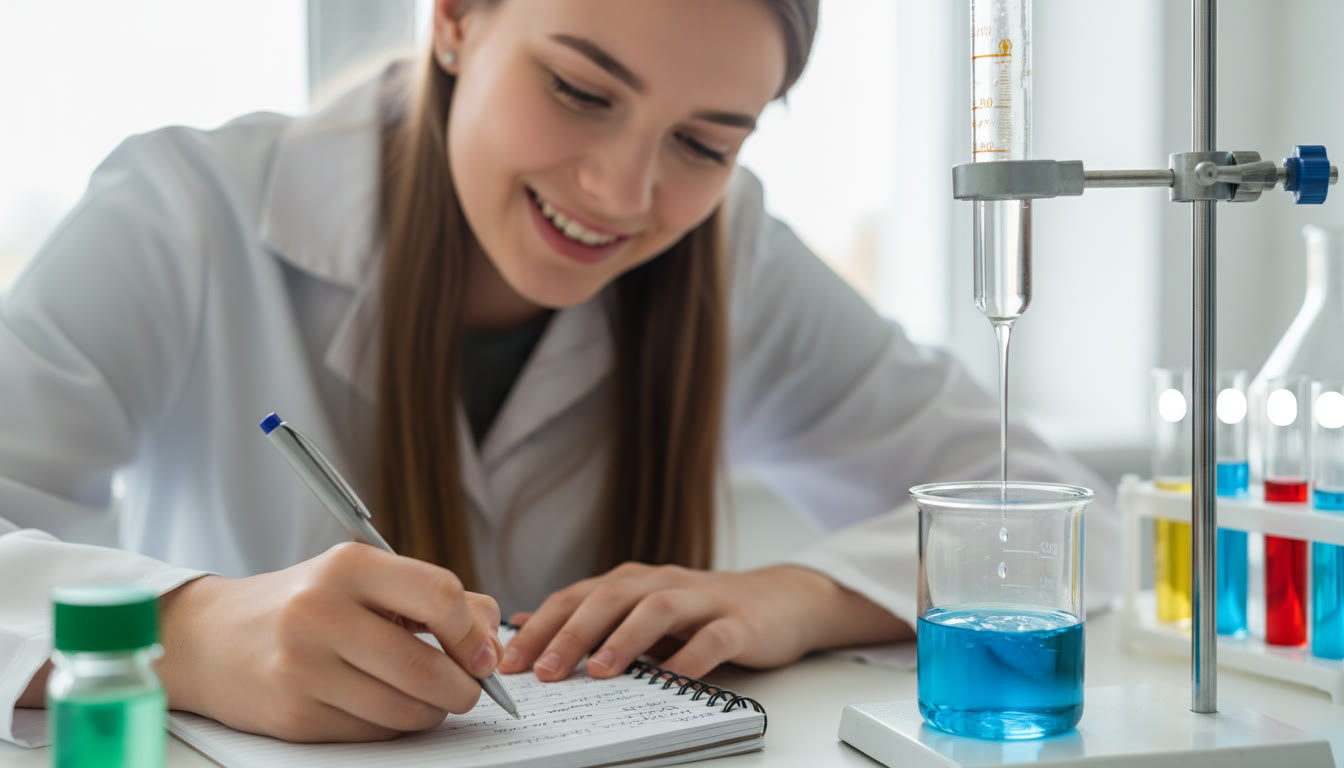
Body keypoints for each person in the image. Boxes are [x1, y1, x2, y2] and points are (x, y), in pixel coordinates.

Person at [0, 0, 1118, 748]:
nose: (623, 194)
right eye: (582, 90)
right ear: (454, 19)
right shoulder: (184, 212)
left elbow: (1066, 520)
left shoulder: (735, 253)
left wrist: (794, 596)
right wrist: (189, 635)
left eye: (705, 143)